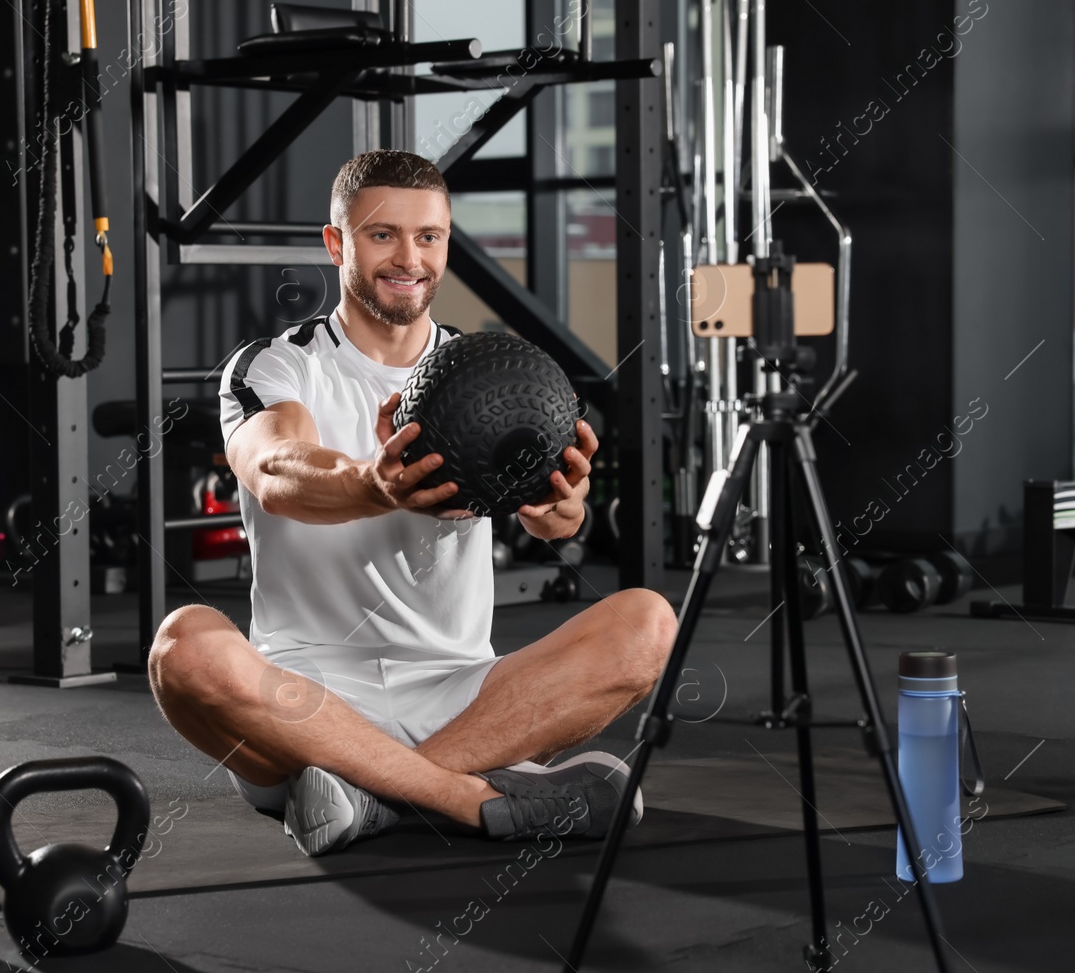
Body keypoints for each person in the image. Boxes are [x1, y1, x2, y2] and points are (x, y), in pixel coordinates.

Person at [147, 150, 678, 857]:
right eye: (382, 234)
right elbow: (276, 468)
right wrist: (375, 484)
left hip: (461, 690)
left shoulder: (487, 371)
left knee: (649, 622)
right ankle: (470, 796)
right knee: (183, 648)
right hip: (305, 704)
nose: (410, 258)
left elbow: (552, 518)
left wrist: (563, 508)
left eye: (429, 236)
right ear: (336, 242)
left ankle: (373, 797)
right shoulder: (279, 364)